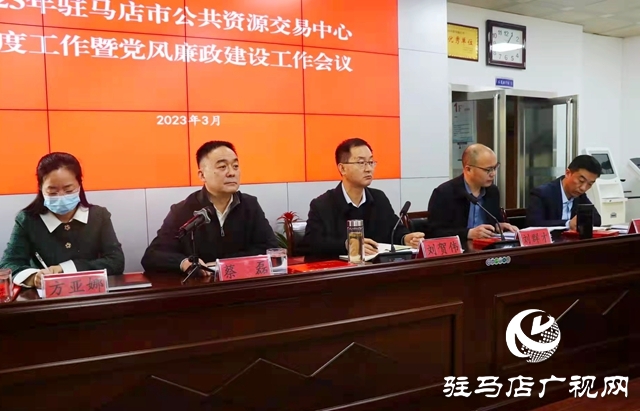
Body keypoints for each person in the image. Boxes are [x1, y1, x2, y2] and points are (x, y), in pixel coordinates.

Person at [141, 141, 278, 275]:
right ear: (202, 175)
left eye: (235, 166)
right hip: (202, 286)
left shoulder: (250, 205)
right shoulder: (183, 210)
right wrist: (184, 263)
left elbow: (271, 248)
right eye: (222, 167)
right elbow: (152, 256)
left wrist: (222, 264)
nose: (231, 173)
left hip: (241, 283)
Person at [0, 152, 125, 289]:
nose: (61, 197)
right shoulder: (28, 220)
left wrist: (65, 269)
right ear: (40, 188)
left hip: (91, 294)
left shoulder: (98, 216)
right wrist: (33, 277)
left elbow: (116, 261)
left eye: (68, 190)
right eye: (52, 192)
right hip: (47, 297)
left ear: (79, 185)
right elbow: (8, 264)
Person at [301, 138, 425, 259]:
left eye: (371, 162)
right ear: (342, 168)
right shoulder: (322, 205)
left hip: (378, 269)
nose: (368, 169)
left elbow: (395, 230)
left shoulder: (379, 198)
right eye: (361, 163)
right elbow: (311, 245)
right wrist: (348, 245)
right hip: (342, 270)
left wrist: (406, 239)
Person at [427, 143, 518, 241]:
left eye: (495, 168)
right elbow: (434, 233)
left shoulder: (492, 191)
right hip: (461, 248)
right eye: (488, 170)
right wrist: (468, 233)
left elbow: (494, 220)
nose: (493, 174)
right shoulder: (444, 193)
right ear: (468, 169)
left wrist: (498, 226)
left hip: (488, 246)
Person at [526, 155, 602, 228]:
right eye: (581, 181)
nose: (583, 188)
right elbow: (534, 224)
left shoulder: (580, 196)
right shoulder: (541, 194)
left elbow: (597, 220)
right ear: (568, 173)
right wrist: (568, 224)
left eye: (590, 184)